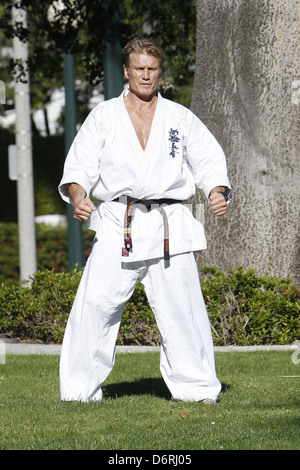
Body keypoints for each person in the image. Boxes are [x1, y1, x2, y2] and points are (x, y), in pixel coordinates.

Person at [58, 37, 231, 404]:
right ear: (126, 71)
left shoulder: (179, 117)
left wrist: (216, 190)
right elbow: (78, 167)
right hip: (119, 220)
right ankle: (79, 392)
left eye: (152, 69)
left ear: (159, 72)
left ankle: (197, 389)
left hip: (170, 223)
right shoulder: (104, 115)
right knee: (95, 306)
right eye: (139, 68)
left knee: (183, 309)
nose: (146, 75)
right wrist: (79, 196)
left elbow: (208, 159)